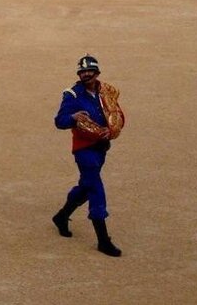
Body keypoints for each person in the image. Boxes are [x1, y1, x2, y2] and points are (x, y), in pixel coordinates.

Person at [52, 55, 125, 257]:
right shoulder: (72, 95)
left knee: (86, 186)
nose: (85, 74)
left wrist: (113, 129)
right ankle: (103, 240)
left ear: (96, 73)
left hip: (101, 147)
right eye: (82, 72)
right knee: (96, 189)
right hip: (84, 149)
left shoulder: (106, 91)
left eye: (89, 71)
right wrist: (73, 118)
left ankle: (62, 215)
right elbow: (60, 121)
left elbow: (118, 114)